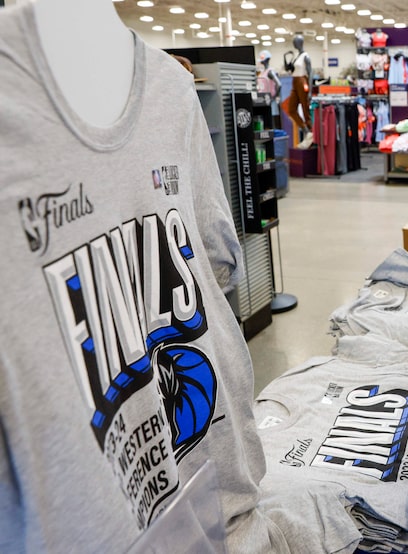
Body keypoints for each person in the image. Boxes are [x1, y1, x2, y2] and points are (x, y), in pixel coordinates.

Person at [0, 0, 290, 551]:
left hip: (199, 511)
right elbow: (219, 261)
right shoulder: (171, 93)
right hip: (207, 492)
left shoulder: (172, 94)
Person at [281, 34, 313, 147]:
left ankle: (311, 132)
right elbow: (288, 69)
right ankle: (306, 130)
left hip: (302, 81)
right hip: (294, 81)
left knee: (305, 109)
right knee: (291, 109)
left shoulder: (305, 56)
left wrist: (310, 90)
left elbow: (310, 73)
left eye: (296, 42)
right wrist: (285, 57)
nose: (294, 44)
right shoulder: (296, 56)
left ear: (300, 42)